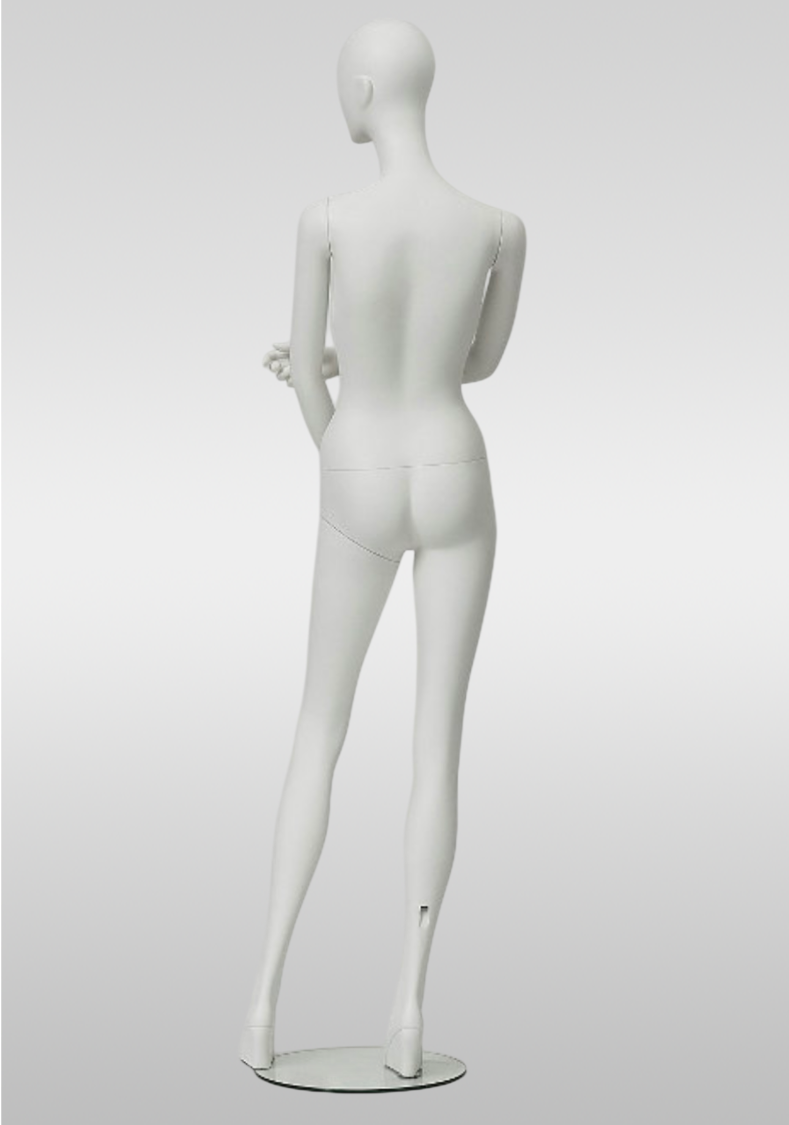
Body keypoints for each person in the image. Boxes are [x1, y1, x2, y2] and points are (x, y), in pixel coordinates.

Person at [239, 18, 526, 1079]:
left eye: (340, 85)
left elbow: (315, 397)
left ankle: (263, 1005)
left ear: (361, 89)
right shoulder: (499, 227)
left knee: (319, 725)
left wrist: (336, 440)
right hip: (455, 467)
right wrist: (353, 359)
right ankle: (407, 1014)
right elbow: (477, 361)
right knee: (436, 740)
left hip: (358, 466)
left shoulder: (324, 219)